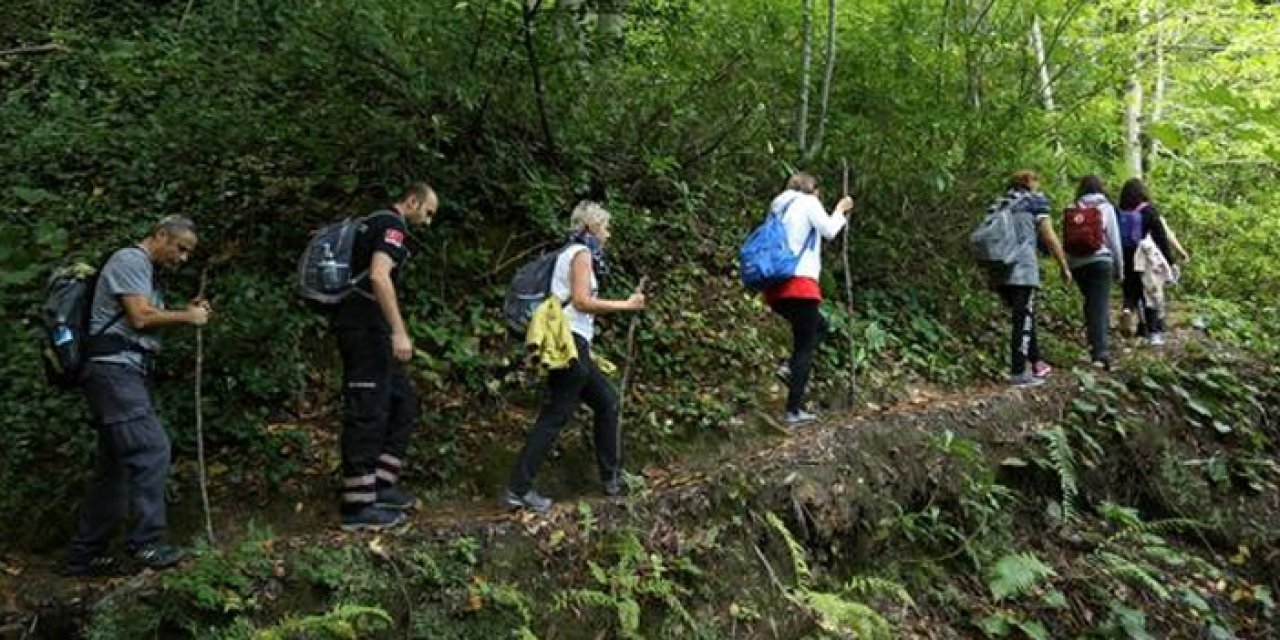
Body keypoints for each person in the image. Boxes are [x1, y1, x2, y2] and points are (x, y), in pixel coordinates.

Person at [65, 216, 213, 576]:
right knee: (151, 449)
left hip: (123, 373)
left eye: (188, 253)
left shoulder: (146, 271)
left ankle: (85, 556)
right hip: (114, 373)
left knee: (115, 464)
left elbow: (145, 322)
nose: (182, 258)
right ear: (160, 235)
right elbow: (141, 318)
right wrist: (188, 317)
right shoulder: (130, 260)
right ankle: (146, 544)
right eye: (180, 249)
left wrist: (186, 313)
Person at [505, 201, 646, 513]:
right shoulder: (580, 253)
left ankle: (611, 479)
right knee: (555, 415)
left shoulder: (574, 253)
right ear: (592, 227)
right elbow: (581, 302)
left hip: (574, 345)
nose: (608, 234)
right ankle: (518, 488)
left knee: (607, 402)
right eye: (605, 227)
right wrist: (626, 305)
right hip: (569, 344)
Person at [331, 182, 438, 531]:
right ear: (412, 201)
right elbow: (379, 276)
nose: (428, 221)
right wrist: (399, 330)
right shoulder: (392, 225)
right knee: (368, 409)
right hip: (364, 327)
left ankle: (380, 485)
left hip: (366, 326)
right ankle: (357, 505)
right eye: (428, 212)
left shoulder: (371, 222)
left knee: (402, 401)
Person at [762, 172, 852, 426]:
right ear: (812, 188)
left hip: (775, 285)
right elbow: (829, 231)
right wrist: (841, 210)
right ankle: (792, 411)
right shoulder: (808, 202)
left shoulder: (778, 206)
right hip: (800, 285)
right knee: (805, 346)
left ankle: (790, 368)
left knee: (819, 327)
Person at [989, 170, 1072, 387]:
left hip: (1000, 268)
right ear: (1028, 182)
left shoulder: (1000, 203)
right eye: (1036, 180)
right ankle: (1018, 372)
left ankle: (1036, 362)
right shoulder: (1034, 202)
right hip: (1022, 270)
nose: (1038, 184)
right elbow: (1049, 236)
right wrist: (1063, 265)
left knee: (1024, 316)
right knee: (1023, 319)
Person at [1117, 177, 1186, 345]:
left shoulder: (1120, 212)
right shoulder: (1149, 211)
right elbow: (1161, 238)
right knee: (1150, 293)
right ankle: (1154, 333)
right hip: (1145, 258)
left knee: (1131, 289)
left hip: (1126, 256)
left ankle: (1128, 310)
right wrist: (1170, 261)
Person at [1067, 176, 1124, 369]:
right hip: (1100, 261)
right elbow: (1114, 241)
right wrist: (1120, 269)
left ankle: (1094, 345)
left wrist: (1067, 265)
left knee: (1092, 303)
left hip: (1077, 264)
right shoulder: (1106, 208)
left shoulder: (1073, 208)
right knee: (1099, 305)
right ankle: (1100, 352)